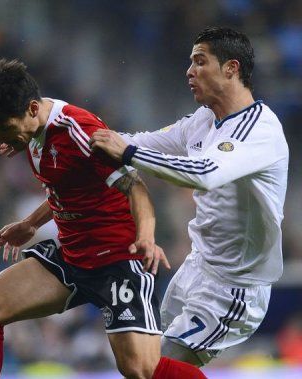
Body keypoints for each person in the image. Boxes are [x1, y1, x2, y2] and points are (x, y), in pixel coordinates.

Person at [0, 59, 207, 379]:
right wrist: (32, 223)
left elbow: (136, 188)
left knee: (140, 368)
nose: (0, 138)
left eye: (4, 128)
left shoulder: (79, 131)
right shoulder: (31, 131)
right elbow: (70, 183)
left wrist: (145, 238)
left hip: (117, 258)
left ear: (32, 108)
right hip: (74, 257)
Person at [89, 26, 289, 367]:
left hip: (235, 287)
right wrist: (65, 133)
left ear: (231, 68)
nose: (189, 71)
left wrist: (125, 153)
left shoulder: (259, 130)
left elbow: (203, 173)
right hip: (195, 268)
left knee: (157, 367)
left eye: (200, 61)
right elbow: (142, 141)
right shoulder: (203, 120)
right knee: (144, 364)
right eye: (190, 62)